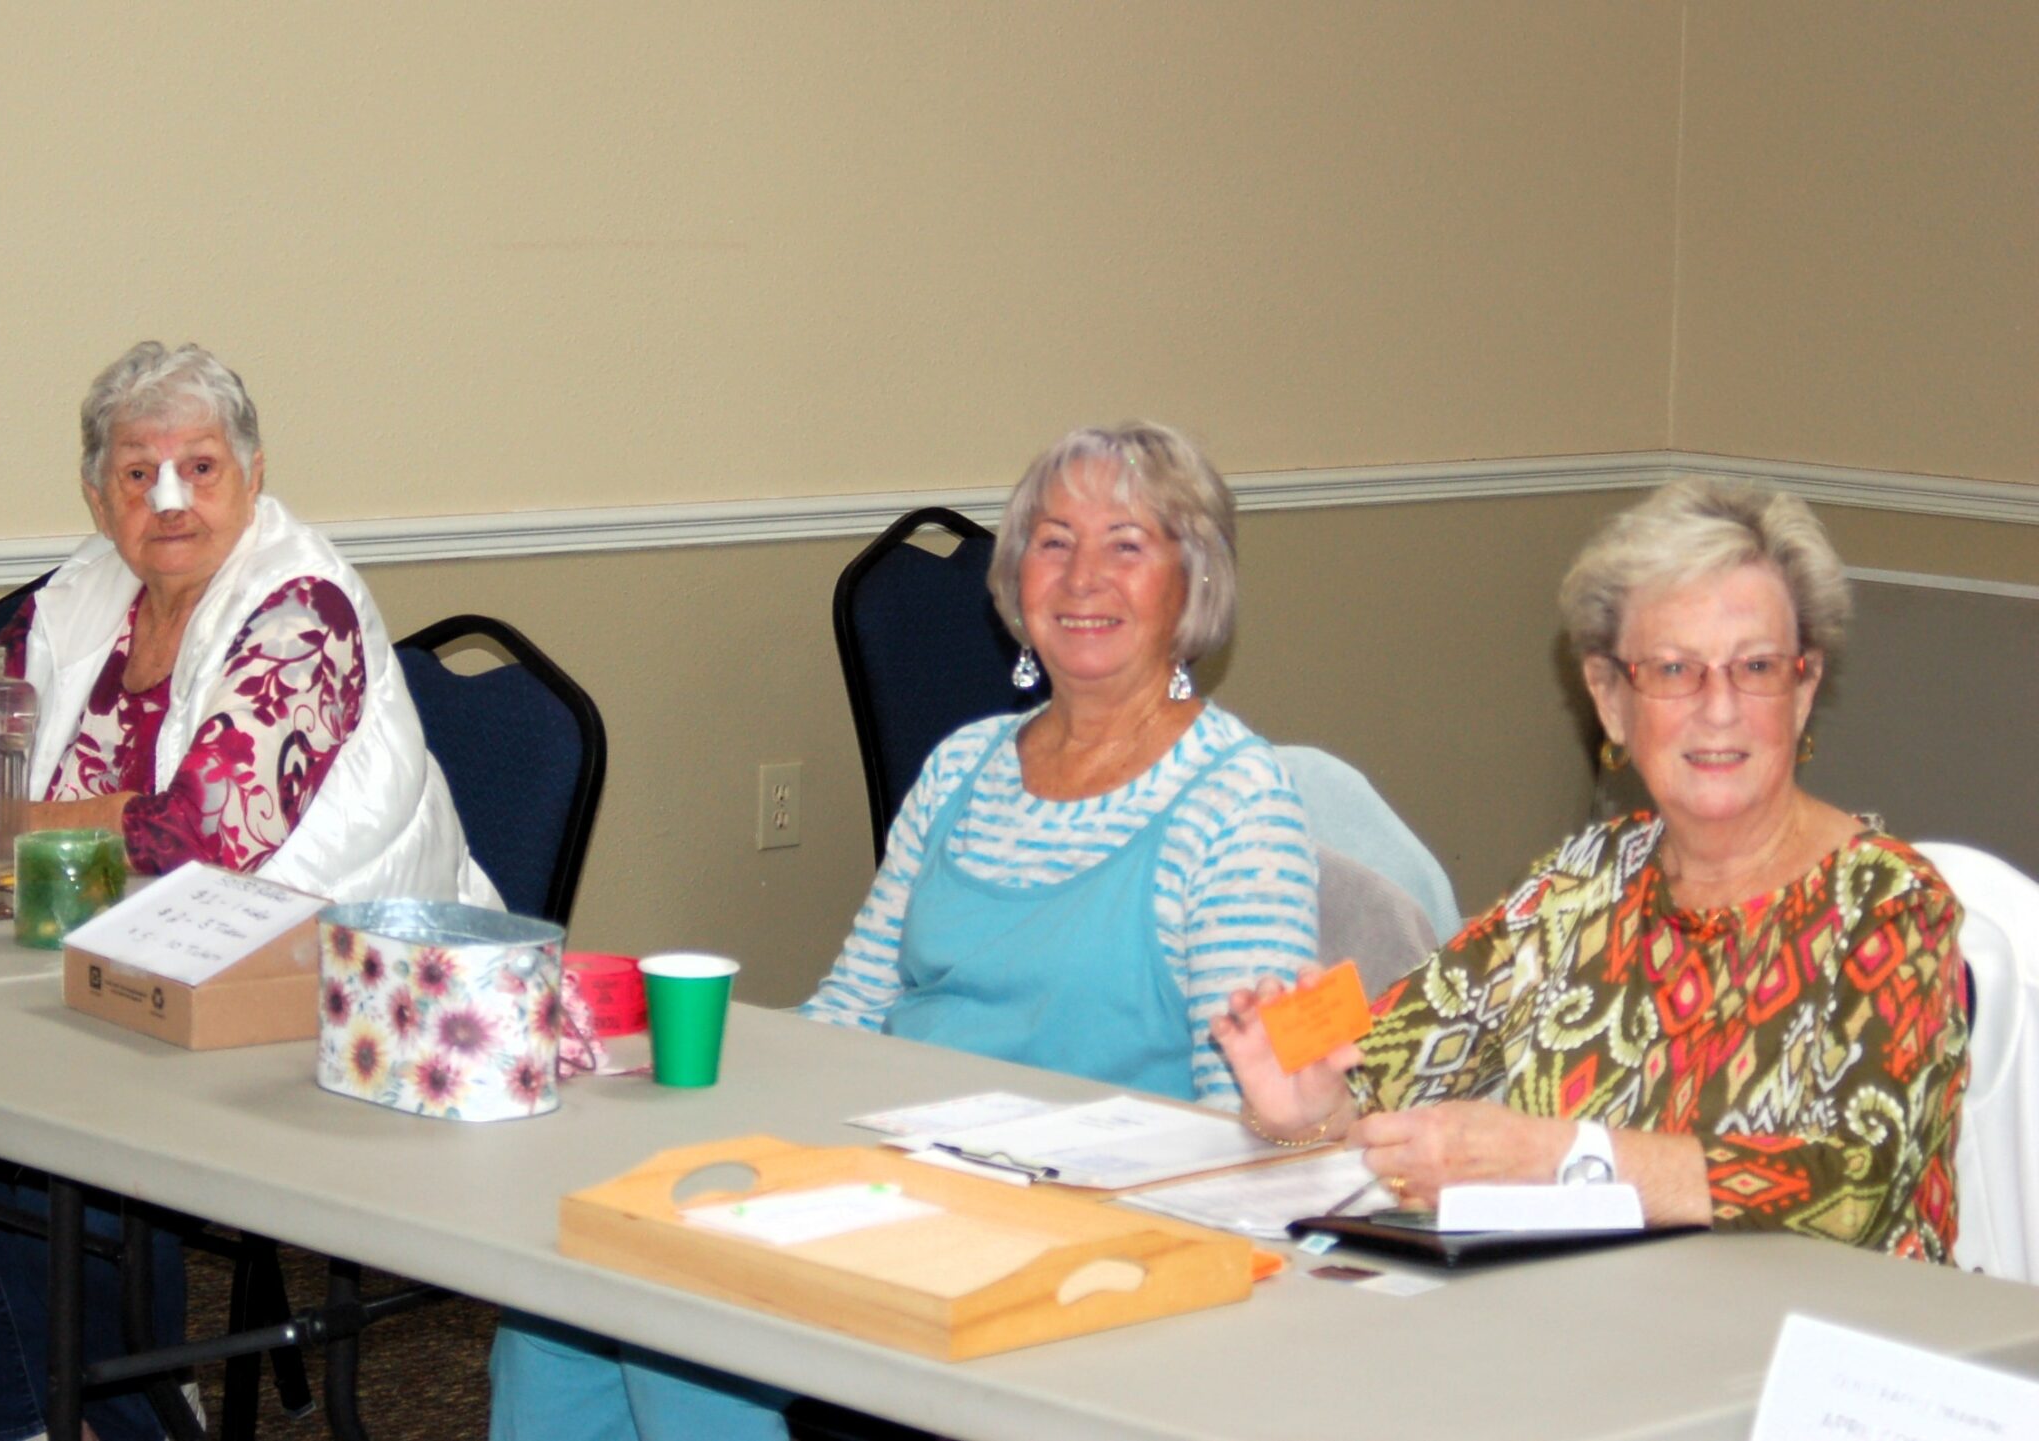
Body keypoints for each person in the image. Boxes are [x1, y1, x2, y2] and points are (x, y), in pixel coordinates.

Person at [491, 422, 1320, 1441]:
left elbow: (1242, 1116)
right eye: (1052, 541)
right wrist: (650, 1065)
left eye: (1127, 543)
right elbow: (849, 1008)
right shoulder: (964, 765)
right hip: (896, 1173)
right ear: (1015, 579)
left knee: (685, 1322)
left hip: (1078, 1217)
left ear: (1192, 589)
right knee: (560, 1297)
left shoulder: (1234, 798)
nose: (1081, 576)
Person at [0, 341, 496, 1441]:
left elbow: (210, 830)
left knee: (3, 1109)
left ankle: (113, 1405)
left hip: (328, 985)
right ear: (96, 493)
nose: (169, 498)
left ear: (251, 474)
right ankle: (41, 1408)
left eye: (199, 468)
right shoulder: (84, 595)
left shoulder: (304, 613)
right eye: (136, 471)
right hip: (125, 965)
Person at [1215, 479, 1969, 1259]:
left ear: (1802, 690)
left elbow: (1855, 1183)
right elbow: (1388, 1068)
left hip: (1819, 1352)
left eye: (1756, 667)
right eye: (1674, 670)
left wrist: (1565, 1159)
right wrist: (1315, 1103)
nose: (1719, 707)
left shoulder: (1889, 903)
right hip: (1594, 1328)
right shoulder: (1582, 883)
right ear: (1611, 699)